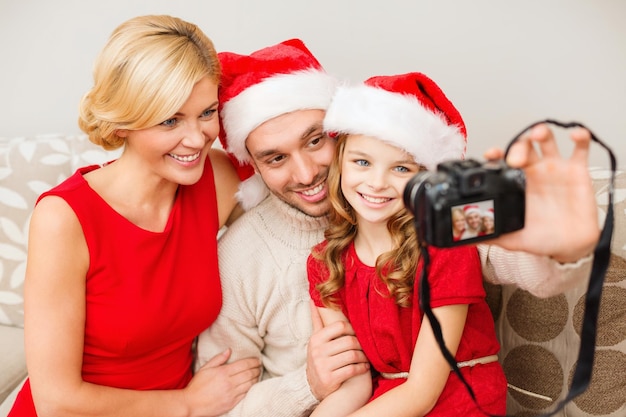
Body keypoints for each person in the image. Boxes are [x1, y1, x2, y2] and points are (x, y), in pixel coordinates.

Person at [196, 39, 599, 416]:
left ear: (344, 133)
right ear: (254, 165)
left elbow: (509, 251)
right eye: (275, 158)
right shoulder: (250, 256)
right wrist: (307, 384)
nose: (306, 173)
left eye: (316, 140)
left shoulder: (431, 211)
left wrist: (561, 249)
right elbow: (222, 404)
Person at [8, 15, 261, 417]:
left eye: (207, 112)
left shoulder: (218, 177)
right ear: (123, 122)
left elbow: (303, 189)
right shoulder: (64, 218)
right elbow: (56, 401)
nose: (196, 139)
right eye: (170, 120)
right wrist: (189, 404)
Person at [307, 72, 506, 416]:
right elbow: (355, 382)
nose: (377, 183)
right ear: (339, 162)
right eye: (363, 162)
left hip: (460, 400)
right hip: (384, 402)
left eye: (401, 168)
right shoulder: (326, 262)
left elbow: (421, 393)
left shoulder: (446, 248)